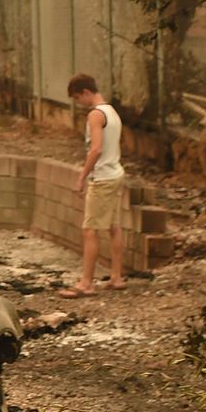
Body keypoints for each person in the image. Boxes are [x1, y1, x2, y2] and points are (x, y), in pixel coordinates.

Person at [59, 73, 127, 299]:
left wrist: (82, 176)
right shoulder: (112, 112)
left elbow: (96, 148)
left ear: (85, 92)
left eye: (78, 98)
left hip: (103, 178)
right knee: (114, 226)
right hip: (116, 173)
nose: (79, 103)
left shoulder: (96, 115)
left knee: (90, 230)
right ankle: (117, 277)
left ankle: (87, 283)